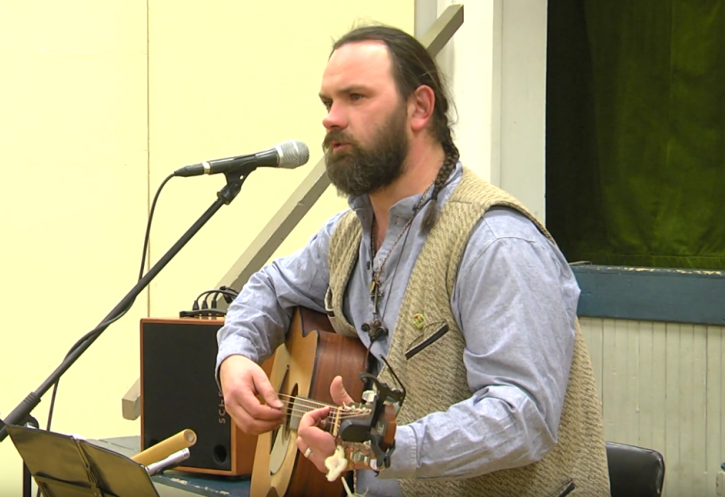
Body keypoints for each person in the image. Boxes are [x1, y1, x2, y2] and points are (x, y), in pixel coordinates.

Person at [216, 24, 610, 497]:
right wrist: (235, 357)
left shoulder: (495, 242)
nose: (331, 119)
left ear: (420, 107)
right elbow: (269, 286)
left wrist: (382, 446)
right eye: (328, 102)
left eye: (356, 97)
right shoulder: (348, 235)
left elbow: (521, 417)